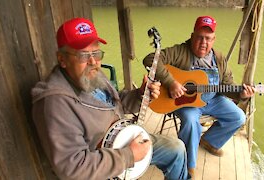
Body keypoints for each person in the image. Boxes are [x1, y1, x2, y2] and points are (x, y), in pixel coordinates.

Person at [31, 17, 189, 180]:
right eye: (83, 55)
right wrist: (128, 155)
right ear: (62, 59)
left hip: (123, 137)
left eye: (96, 53)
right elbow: (73, 167)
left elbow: (114, 103)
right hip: (102, 165)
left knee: (176, 149)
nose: (93, 61)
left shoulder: (91, 74)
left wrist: (140, 95)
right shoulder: (55, 103)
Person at [143, 15, 255, 178]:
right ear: (192, 36)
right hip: (188, 103)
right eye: (200, 38)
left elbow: (228, 85)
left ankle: (210, 141)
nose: (204, 42)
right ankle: (189, 164)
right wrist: (171, 82)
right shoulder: (180, 51)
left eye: (208, 39)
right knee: (190, 122)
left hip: (213, 100)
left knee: (238, 117)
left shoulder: (219, 58)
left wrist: (241, 94)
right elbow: (150, 60)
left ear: (214, 39)